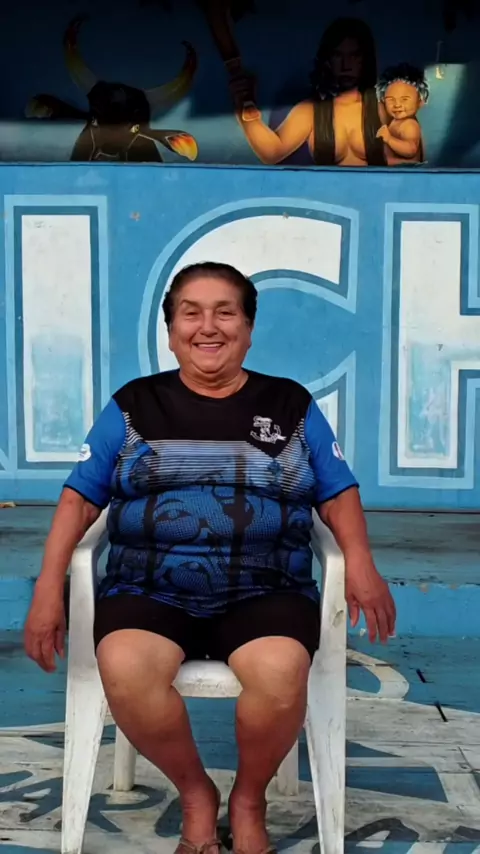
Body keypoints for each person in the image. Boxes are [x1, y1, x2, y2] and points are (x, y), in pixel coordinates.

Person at [25, 261, 396, 854]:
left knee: (280, 675)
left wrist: (361, 564)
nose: (208, 326)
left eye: (225, 312)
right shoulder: (134, 406)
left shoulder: (289, 404)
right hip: (149, 587)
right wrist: (50, 585)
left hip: (266, 587)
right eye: (190, 313)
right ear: (171, 330)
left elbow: (335, 491)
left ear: (247, 329)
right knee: (125, 667)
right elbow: (79, 500)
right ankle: (197, 795)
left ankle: (249, 799)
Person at [231, 17, 386, 166]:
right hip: (325, 185)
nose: (346, 65)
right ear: (327, 59)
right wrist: (244, 105)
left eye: (355, 55)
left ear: (366, 59)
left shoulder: (383, 107)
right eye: (337, 55)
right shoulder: (311, 110)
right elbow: (272, 152)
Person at [375, 64, 429, 165]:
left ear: (420, 102)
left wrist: (389, 139)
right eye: (391, 100)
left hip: (407, 169)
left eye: (404, 99)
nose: (397, 105)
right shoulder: (395, 121)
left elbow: (410, 150)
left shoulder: (409, 124)